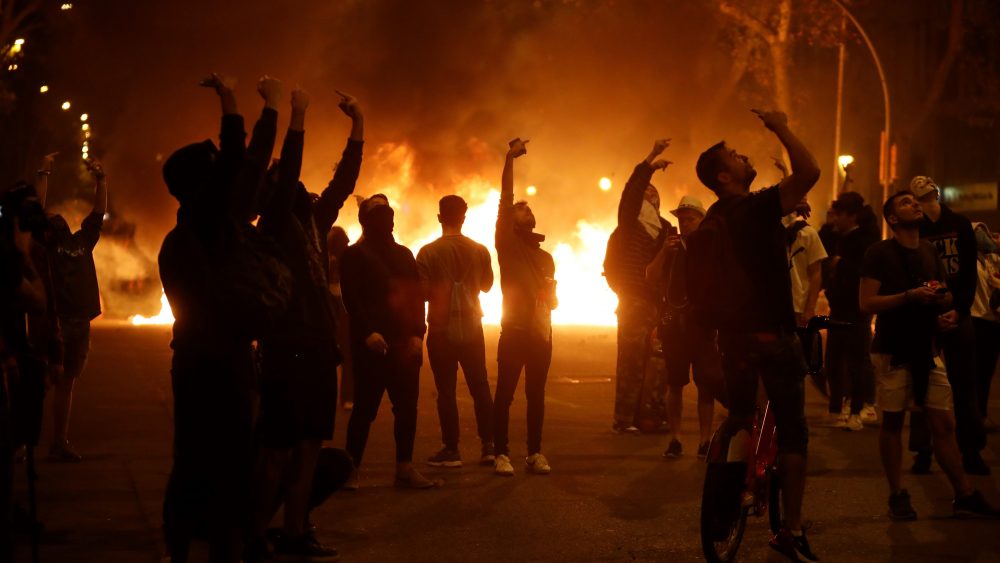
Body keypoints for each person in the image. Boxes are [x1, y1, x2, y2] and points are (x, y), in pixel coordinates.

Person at [159, 73, 282, 563]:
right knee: (228, 464)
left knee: (193, 460)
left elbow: (244, 167)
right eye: (214, 170)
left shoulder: (191, 231)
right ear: (201, 183)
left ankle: (188, 546)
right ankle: (225, 547)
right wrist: (239, 100)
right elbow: (239, 160)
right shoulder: (205, 224)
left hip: (198, 360)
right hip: (217, 363)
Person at [692, 109, 821, 562]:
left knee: (741, 415)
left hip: (732, 340)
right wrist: (780, 126)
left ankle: (728, 490)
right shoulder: (755, 207)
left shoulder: (713, 219)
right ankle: (792, 530)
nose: (743, 155)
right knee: (794, 434)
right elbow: (810, 172)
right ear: (725, 176)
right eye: (734, 155)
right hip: (772, 336)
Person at [251, 88, 363, 561]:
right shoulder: (272, 226)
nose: (294, 182)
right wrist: (296, 115)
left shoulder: (315, 220)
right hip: (285, 349)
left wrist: (358, 124)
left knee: (311, 447)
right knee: (276, 451)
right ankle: (252, 538)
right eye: (281, 176)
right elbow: (288, 173)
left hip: (318, 348)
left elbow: (343, 183)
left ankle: (295, 532)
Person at [859, 190, 999, 520]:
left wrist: (946, 306)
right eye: (905, 202)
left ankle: (964, 494)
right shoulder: (879, 253)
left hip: (927, 347)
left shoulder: (928, 251)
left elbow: (944, 290)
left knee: (944, 423)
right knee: (893, 423)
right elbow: (866, 303)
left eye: (915, 201)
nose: (914, 204)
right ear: (893, 218)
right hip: (893, 349)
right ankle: (897, 495)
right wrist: (908, 296)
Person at [341, 195, 437, 489]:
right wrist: (368, 333)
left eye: (388, 214)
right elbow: (352, 299)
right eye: (379, 214)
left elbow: (415, 297)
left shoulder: (404, 255)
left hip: (404, 345)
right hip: (372, 346)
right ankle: (351, 470)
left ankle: (404, 468)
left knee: (406, 408)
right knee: (364, 409)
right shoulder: (354, 255)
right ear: (365, 221)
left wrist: (417, 334)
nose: (387, 220)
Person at [909, 176, 989, 475]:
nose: (925, 202)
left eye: (927, 195)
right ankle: (923, 451)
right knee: (922, 383)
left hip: (958, 313)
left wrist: (960, 310)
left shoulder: (959, 224)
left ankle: (971, 450)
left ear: (936, 194)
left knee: (964, 383)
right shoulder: (915, 229)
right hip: (925, 315)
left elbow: (968, 273)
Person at [35, 154, 108, 462]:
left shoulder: (82, 242)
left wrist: (101, 180)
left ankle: (59, 442)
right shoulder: (48, 247)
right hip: (57, 323)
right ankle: (21, 444)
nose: (57, 218)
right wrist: (43, 172)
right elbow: (37, 211)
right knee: (42, 383)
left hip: (80, 322)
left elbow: (98, 212)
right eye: (52, 219)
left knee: (67, 383)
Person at [492, 138, 557, 476]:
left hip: (541, 333)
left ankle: (534, 452)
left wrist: (551, 298)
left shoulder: (546, 258)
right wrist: (509, 160)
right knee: (505, 394)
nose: (526, 210)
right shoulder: (507, 244)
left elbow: (553, 299)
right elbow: (505, 200)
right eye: (521, 209)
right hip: (515, 330)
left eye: (529, 208)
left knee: (536, 395)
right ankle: (500, 453)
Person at [416, 195, 495, 468]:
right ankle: (489, 446)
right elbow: (487, 286)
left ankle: (452, 449)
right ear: (464, 217)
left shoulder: (427, 252)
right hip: (472, 326)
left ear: (440, 217)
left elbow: (423, 293)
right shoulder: (480, 250)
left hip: (441, 329)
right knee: (480, 386)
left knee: (446, 390)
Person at [645, 195, 723, 458]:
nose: (685, 223)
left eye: (690, 218)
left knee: (706, 385)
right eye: (682, 219)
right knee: (675, 384)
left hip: (702, 325)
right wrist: (664, 251)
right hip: (675, 324)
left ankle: (705, 440)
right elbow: (650, 276)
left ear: (701, 220)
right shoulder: (672, 248)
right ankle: (675, 439)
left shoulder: (710, 247)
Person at [605, 140, 672, 434]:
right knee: (631, 360)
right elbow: (630, 193)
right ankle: (624, 419)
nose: (649, 195)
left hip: (658, 303)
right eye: (646, 191)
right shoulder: (629, 224)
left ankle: (650, 416)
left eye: (653, 193)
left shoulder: (666, 229)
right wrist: (650, 162)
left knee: (657, 361)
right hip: (634, 300)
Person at [824, 191, 879, 431]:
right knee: (833, 360)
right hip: (838, 306)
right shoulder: (839, 237)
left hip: (857, 309)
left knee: (857, 360)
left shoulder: (865, 241)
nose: (835, 219)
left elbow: (863, 272)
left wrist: (840, 264)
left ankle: (858, 409)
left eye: (839, 214)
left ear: (852, 216)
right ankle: (838, 408)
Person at [970, 223, 1000, 428]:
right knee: (973, 371)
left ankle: (981, 413)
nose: (983, 235)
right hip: (974, 319)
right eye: (977, 232)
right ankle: (973, 415)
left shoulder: (994, 260)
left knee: (987, 372)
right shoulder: (967, 261)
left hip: (994, 321)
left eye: (984, 231)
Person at [327, 225, 354, 410]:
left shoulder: (346, 261)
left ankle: (346, 397)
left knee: (345, 357)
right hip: (336, 313)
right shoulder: (327, 260)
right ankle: (346, 398)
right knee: (346, 358)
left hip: (338, 313)